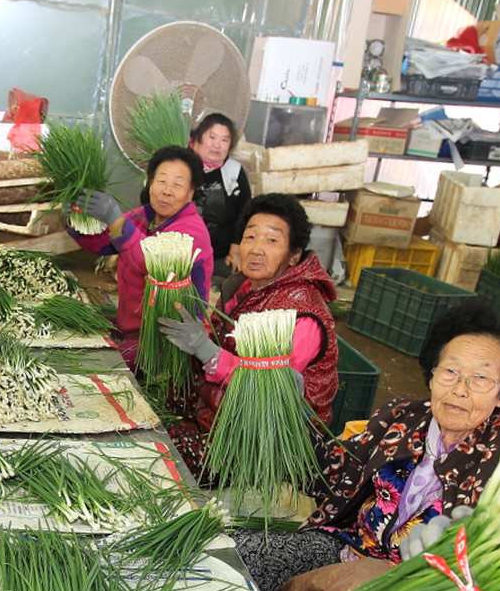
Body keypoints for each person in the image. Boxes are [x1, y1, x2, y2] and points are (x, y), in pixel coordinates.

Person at [239, 298, 500, 591]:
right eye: (450, 372)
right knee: (232, 558)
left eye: (481, 378)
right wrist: (290, 410)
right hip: (345, 547)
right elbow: (330, 474)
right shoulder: (402, 417)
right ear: (432, 373)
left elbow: (495, 572)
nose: (460, 389)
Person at [156, 193, 339, 478]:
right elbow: (222, 338)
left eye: (272, 240)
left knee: (161, 454)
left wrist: (205, 350)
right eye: (250, 237)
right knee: (151, 408)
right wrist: (193, 332)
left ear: (294, 254)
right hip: (220, 414)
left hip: (266, 447)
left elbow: (265, 391)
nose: (256, 249)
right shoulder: (243, 286)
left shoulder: (302, 315)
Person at [67, 145, 214, 368]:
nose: (167, 190)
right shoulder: (143, 216)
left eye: (178, 184)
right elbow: (102, 242)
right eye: (162, 181)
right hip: (132, 327)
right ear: (149, 182)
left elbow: (149, 262)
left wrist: (115, 219)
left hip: (165, 341)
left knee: (94, 363)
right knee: (75, 327)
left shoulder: (191, 232)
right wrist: (76, 219)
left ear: (190, 192)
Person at [189, 113, 252, 273]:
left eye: (224, 140)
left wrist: (236, 250)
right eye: (212, 137)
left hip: (218, 255)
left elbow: (244, 213)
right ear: (197, 138)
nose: (217, 145)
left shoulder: (234, 171)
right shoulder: (181, 163)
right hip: (178, 252)